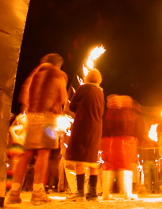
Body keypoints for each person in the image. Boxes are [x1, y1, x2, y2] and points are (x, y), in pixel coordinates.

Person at [6, 53, 68, 205]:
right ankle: (38, 191)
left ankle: (14, 192)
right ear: (58, 64)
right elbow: (63, 98)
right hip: (48, 117)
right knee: (43, 153)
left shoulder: (34, 74)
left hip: (31, 116)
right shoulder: (58, 74)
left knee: (25, 154)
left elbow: (23, 98)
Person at [65, 69, 105, 201]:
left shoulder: (83, 88)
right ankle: (92, 193)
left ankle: (80, 192)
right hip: (96, 128)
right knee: (92, 159)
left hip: (83, 125)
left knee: (79, 158)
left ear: (87, 78)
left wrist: (78, 108)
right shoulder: (100, 92)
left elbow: (71, 106)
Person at [101, 95, 144, 200]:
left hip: (107, 141)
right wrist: (137, 140)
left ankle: (106, 193)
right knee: (124, 166)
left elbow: (103, 126)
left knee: (108, 166)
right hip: (121, 140)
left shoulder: (106, 113)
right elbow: (127, 126)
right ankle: (127, 193)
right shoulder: (125, 112)